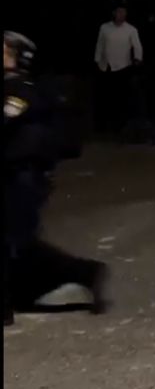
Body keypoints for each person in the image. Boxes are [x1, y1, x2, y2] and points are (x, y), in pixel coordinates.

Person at [5, 31, 109, 326]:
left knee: (15, 243)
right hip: (12, 176)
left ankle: (82, 273)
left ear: (16, 56)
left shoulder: (19, 90)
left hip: (22, 179)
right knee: (20, 245)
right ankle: (83, 273)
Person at [94, 5, 144, 134]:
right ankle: (102, 124)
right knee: (104, 97)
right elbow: (100, 44)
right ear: (114, 13)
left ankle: (119, 125)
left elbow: (137, 46)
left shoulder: (131, 29)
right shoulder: (105, 27)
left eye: (124, 13)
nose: (122, 15)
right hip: (105, 66)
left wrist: (137, 58)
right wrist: (97, 59)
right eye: (120, 12)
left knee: (120, 97)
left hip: (122, 67)